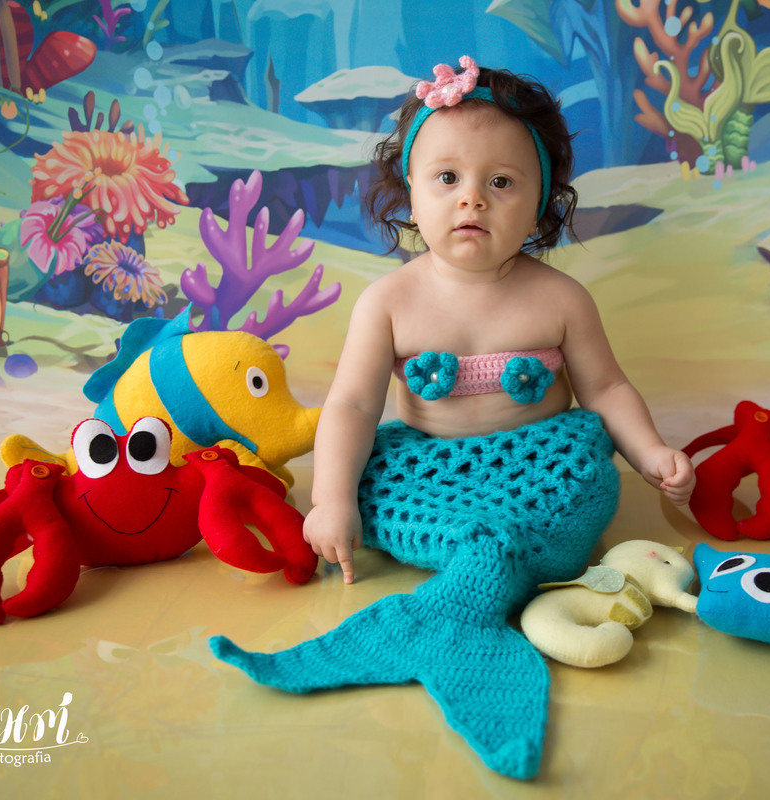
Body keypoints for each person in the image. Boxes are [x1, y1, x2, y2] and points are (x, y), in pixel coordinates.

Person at [211, 57, 694, 781]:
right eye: (447, 178)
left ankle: (449, 611)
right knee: (386, 489)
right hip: (425, 469)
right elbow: (351, 405)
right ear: (410, 193)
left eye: (501, 183)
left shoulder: (560, 300)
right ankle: (476, 589)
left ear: (542, 204)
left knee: (580, 488)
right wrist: (332, 499)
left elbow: (606, 389)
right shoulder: (390, 302)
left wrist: (651, 452)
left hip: (541, 467)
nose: (473, 199)